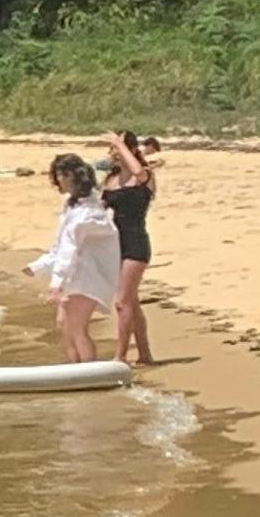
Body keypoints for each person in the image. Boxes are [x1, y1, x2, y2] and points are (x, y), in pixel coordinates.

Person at [27, 153, 121, 363]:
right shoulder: (73, 207)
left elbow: (69, 247)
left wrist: (56, 283)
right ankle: (75, 367)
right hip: (77, 275)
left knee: (77, 327)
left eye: (60, 175)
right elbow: (60, 246)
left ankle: (88, 370)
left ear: (71, 176)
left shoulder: (87, 214)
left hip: (90, 277)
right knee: (63, 325)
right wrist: (38, 266)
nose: (57, 180)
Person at [98, 130, 157, 366]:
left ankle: (120, 357)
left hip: (135, 243)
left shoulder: (144, 176)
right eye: (111, 149)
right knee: (131, 301)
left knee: (121, 302)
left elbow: (137, 172)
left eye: (118, 148)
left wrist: (119, 144)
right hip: (114, 245)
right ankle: (145, 355)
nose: (113, 152)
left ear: (131, 149)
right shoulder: (109, 181)